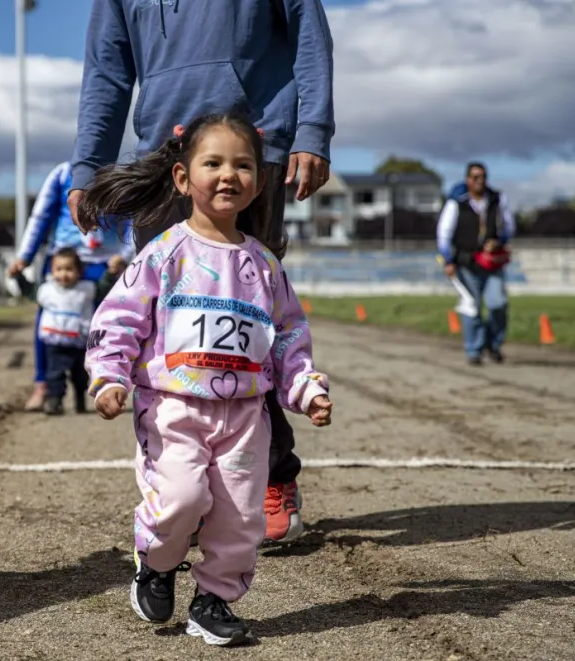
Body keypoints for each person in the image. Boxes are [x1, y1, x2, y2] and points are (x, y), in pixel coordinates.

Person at [66, 0, 336, 545]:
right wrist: (89, 164)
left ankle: (271, 476)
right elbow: (107, 70)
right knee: (168, 331)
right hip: (168, 152)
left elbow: (310, 34)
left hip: (251, 146)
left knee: (246, 322)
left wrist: (312, 127)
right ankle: (177, 483)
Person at [82, 113, 333, 646]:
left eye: (242, 165)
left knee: (242, 516)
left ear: (258, 183)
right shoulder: (164, 252)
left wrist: (306, 388)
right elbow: (120, 318)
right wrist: (108, 376)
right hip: (174, 407)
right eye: (212, 163)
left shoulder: (265, 264)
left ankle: (214, 599)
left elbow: (286, 335)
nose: (227, 175)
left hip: (245, 416)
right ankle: (155, 562)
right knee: (181, 497)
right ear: (182, 178)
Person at [7, 160, 134, 411]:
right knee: (48, 322)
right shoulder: (63, 172)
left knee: (107, 328)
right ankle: (43, 384)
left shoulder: (123, 171)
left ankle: (105, 382)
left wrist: (127, 253)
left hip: (104, 263)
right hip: (62, 258)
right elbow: (41, 215)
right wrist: (25, 257)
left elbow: (134, 217)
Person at [436, 162, 516, 365]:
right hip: (466, 263)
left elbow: (509, 227)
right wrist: (447, 260)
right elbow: (444, 233)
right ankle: (474, 350)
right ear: (467, 180)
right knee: (471, 307)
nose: (479, 181)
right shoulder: (457, 202)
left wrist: (499, 241)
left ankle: (493, 343)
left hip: (492, 263)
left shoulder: (497, 199)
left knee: (498, 304)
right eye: (475, 177)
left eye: (482, 177)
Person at [35, 247, 96, 416]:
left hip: (79, 342)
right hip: (55, 342)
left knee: (80, 376)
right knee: (55, 374)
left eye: (69, 269)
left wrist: (111, 274)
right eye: (58, 269)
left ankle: (80, 399)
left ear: (79, 271)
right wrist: (18, 277)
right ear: (52, 270)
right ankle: (54, 401)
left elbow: (106, 288)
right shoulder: (46, 290)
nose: (63, 274)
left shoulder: (87, 289)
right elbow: (29, 292)